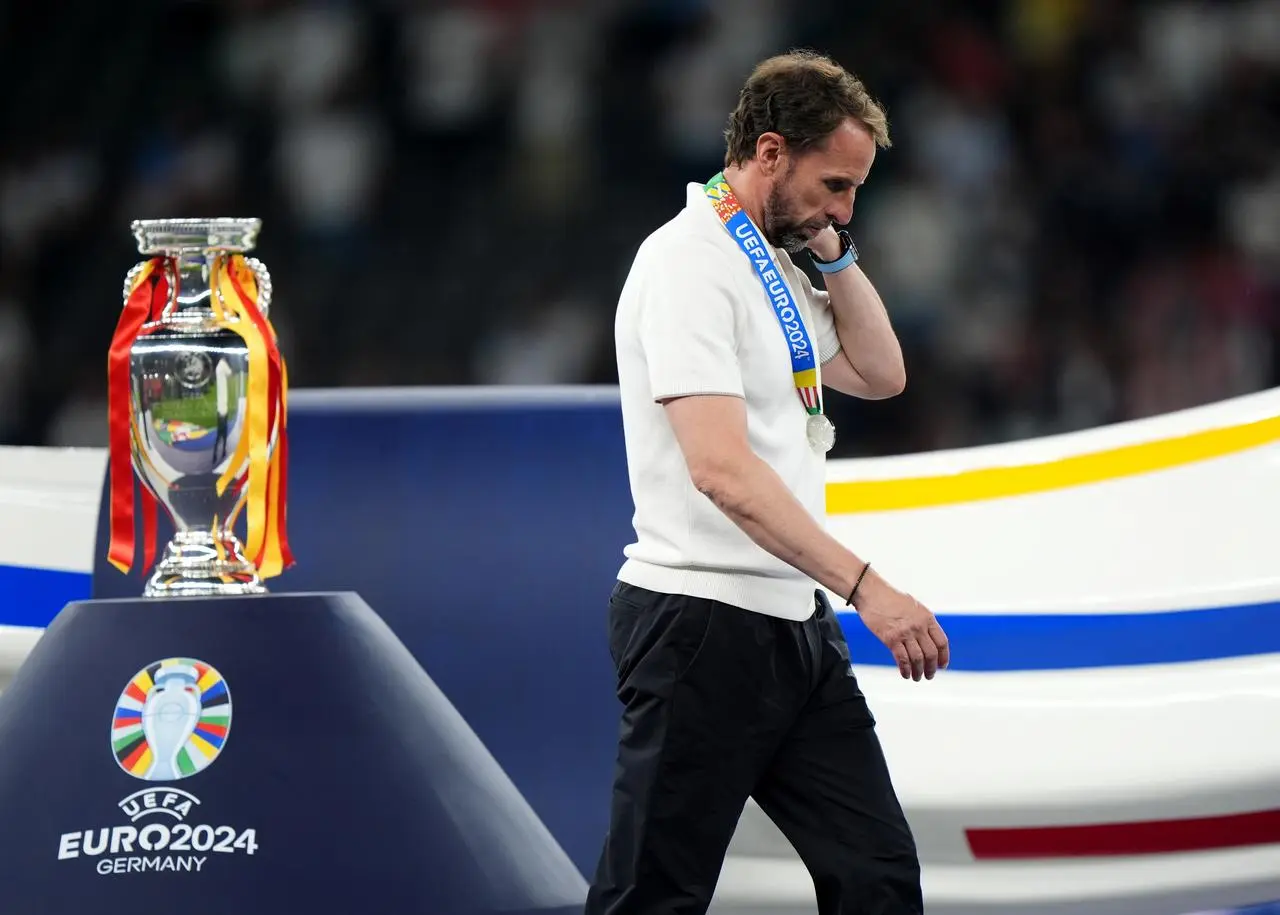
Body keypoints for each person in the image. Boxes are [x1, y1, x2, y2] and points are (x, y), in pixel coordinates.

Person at [586, 50, 950, 915]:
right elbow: (720, 470)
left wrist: (834, 248)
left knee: (877, 879)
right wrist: (868, 587)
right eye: (835, 185)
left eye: (856, 190)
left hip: (792, 626)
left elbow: (881, 369)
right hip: (698, 622)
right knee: (652, 897)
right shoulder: (687, 263)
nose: (844, 207)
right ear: (771, 152)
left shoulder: (777, 257)